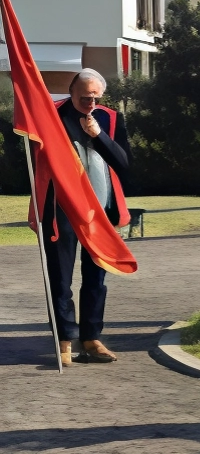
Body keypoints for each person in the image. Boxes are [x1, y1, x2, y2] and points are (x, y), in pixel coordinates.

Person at [37, 69, 130, 365]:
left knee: (96, 277)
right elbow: (37, 162)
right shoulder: (50, 115)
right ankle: (64, 339)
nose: (89, 103)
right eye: (83, 97)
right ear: (71, 91)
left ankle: (91, 338)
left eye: (94, 98)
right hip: (61, 209)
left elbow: (123, 162)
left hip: (100, 209)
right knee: (60, 278)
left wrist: (98, 135)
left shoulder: (110, 118)